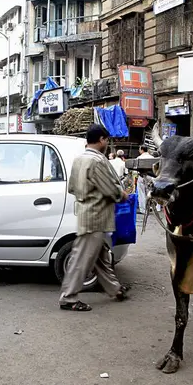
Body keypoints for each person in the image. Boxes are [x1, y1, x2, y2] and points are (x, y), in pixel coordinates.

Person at [59, 124, 129, 311]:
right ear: (101, 140)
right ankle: (68, 298)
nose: (107, 143)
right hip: (96, 216)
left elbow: (72, 188)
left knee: (99, 258)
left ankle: (115, 289)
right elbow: (110, 189)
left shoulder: (79, 159)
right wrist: (121, 194)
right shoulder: (97, 161)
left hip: (86, 213)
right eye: (106, 140)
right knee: (82, 260)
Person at [136, 145, 154, 214]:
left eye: (139, 149)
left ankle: (143, 210)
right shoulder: (152, 157)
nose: (139, 150)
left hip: (142, 176)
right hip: (150, 177)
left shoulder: (139, 158)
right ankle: (149, 207)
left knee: (141, 193)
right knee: (149, 193)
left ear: (142, 150)